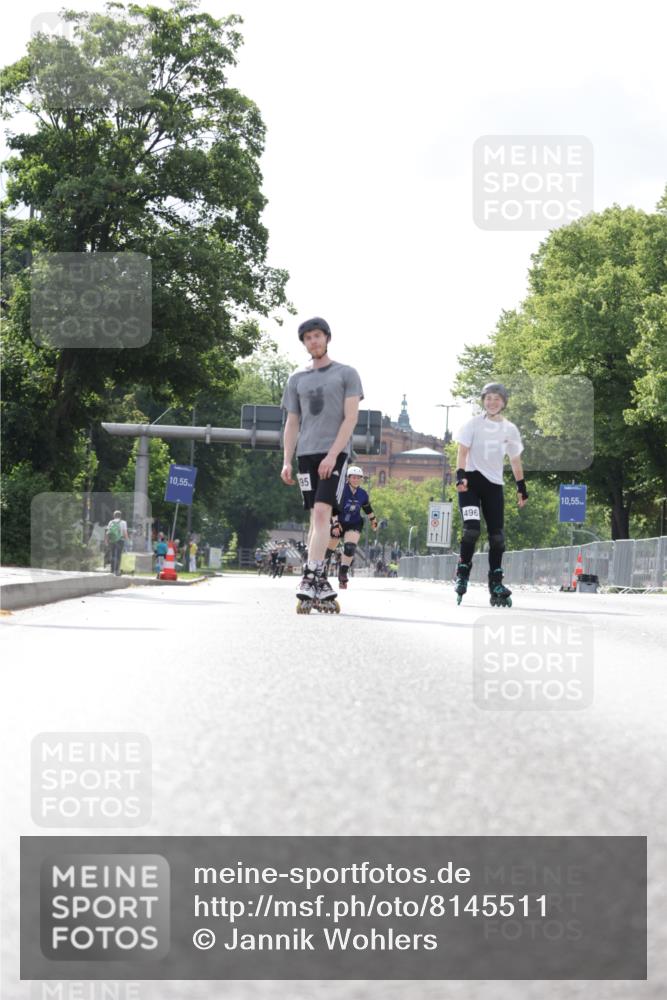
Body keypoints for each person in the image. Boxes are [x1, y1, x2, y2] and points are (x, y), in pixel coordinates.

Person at [281, 317, 363, 603]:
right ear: (304, 343)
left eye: (317, 336)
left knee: (321, 514)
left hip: (335, 454)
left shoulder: (346, 373)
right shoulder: (296, 379)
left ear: (327, 338)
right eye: (308, 338)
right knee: (315, 518)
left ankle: (311, 573)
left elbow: (351, 418)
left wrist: (332, 454)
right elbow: (292, 422)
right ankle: (320, 578)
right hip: (305, 454)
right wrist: (287, 460)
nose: (313, 341)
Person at [453, 382, 528, 605]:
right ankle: (462, 572)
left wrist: (521, 487)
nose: (492, 402)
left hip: (494, 485)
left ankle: (495, 580)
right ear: (483, 401)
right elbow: (462, 452)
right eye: (488, 398)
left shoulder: (510, 429)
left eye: (497, 399)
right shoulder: (473, 424)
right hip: (470, 483)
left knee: (497, 537)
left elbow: (515, 460)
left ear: (503, 402)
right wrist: (460, 475)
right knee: (471, 531)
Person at [325, 466, 377, 589]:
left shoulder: (363, 493)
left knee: (350, 547)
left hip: (354, 522)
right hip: (338, 520)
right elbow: (333, 508)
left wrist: (373, 520)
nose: (356, 480)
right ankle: (321, 570)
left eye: (358, 478)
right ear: (348, 478)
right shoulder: (341, 490)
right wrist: (335, 524)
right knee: (329, 550)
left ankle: (343, 573)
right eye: (353, 477)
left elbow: (367, 508)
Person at [105, 510, 129, 576]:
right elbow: (125, 532)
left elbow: (108, 532)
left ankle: (112, 570)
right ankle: (117, 571)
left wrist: (106, 540)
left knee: (112, 555)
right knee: (118, 556)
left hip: (112, 541)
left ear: (114, 515)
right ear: (120, 516)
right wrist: (127, 540)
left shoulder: (111, 522)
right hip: (120, 540)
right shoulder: (123, 522)